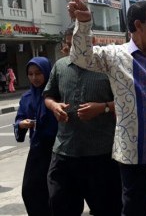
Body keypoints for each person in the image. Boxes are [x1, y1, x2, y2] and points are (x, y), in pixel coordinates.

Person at [67, 0, 146, 216]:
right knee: (134, 206)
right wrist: (84, 22)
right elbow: (81, 57)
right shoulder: (114, 55)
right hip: (132, 149)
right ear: (138, 25)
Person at [43, 25, 122, 216]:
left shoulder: (109, 67)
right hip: (64, 151)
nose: (74, 51)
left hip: (100, 154)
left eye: (79, 46)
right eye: (70, 46)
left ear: (92, 42)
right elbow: (48, 95)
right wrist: (54, 107)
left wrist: (102, 107)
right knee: (61, 206)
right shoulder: (60, 66)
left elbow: (127, 102)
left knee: (107, 208)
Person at [14, 57, 57, 216]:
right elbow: (19, 118)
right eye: (30, 74)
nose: (34, 78)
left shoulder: (56, 94)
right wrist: (22, 124)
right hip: (37, 149)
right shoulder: (26, 98)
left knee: (56, 192)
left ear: (47, 72)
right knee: (30, 190)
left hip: (57, 149)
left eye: (38, 73)